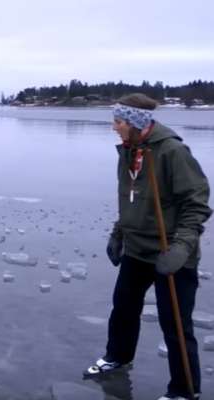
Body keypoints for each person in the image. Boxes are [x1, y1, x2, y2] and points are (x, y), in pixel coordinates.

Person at [83, 93, 211, 400]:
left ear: (135, 122)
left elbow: (196, 203)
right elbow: (130, 200)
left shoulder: (172, 151)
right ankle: (118, 357)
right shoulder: (130, 151)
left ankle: (183, 390)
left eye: (118, 121)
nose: (114, 127)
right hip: (137, 249)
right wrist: (119, 232)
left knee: (175, 325)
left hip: (171, 253)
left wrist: (181, 247)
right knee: (123, 309)